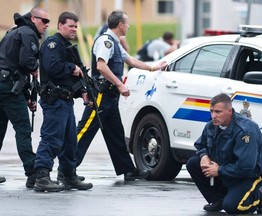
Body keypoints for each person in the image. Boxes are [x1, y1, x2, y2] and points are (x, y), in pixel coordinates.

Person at [74, 10, 167, 181]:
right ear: (120, 25)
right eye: (127, 23)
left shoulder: (115, 43)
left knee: (116, 134)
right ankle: (67, 168)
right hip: (101, 94)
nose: (129, 25)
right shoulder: (106, 42)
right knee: (85, 130)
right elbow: (101, 66)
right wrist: (120, 84)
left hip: (110, 96)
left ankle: (128, 170)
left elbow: (131, 60)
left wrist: (153, 67)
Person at [33, 12, 93, 192]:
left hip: (65, 100)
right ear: (60, 26)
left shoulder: (65, 46)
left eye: (76, 26)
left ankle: (68, 176)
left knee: (70, 141)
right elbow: (53, 68)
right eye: (70, 26)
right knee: (52, 138)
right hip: (55, 100)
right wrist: (72, 67)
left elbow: (68, 79)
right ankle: (42, 177)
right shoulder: (53, 44)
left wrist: (82, 91)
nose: (74, 29)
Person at [186, 93, 262, 214]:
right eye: (211, 111)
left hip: (249, 175)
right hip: (226, 170)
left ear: (229, 111)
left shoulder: (245, 130)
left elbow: (246, 167)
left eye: (218, 112)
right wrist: (203, 156)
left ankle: (258, 196)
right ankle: (218, 199)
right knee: (193, 163)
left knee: (232, 207)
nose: (213, 116)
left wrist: (219, 170)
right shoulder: (211, 125)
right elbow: (201, 144)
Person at [0, 6, 49, 188]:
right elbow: (25, 63)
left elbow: (15, 67)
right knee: (23, 128)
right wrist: (35, 68)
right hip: (8, 87)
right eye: (44, 21)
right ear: (34, 19)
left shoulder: (15, 32)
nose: (46, 25)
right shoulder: (28, 34)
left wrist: (27, 95)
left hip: (6, 83)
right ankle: (32, 173)